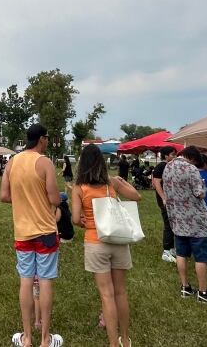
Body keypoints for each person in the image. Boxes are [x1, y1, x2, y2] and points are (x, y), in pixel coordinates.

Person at [71, 144, 141, 347]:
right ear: (102, 162)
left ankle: (112, 343)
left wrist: (84, 220)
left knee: (107, 294)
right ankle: (125, 339)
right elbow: (137, 196)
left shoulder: (79, 188)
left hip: (95, 242)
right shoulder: (112, 184)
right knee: (121, 292)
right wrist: (120, 181)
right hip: (118, 240)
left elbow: (75, 219)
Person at [0, 124, 63, 347]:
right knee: (45, 282)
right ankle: (45, 339)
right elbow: (55, 199)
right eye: (47, 138)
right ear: (42, 140)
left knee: (25, 281)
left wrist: (23, 200)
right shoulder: (44, 162)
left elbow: (4, 196)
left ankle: (26, 338)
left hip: (23, 232)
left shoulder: (12, 162)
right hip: (45, 231)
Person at [162, 146, 207, 306]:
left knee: (181, 254)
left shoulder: (167, 166)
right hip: (196, 221)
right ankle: (203, 293)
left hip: (177, 219)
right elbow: (200, 193)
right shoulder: (191, 169)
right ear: (192, 158)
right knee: (201, 257)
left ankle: (185, 287)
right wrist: (202, 185)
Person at [152, 146, 178, 263]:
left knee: (172, 225)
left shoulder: (169, 166)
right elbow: (156, 183)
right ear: (166, 155)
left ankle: (172, 249)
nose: (174, 157)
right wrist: (163, 198)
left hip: (171, 200)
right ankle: (166, 252)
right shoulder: (161, 166)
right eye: (172, 154)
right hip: (165, 201)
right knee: (168, 225)